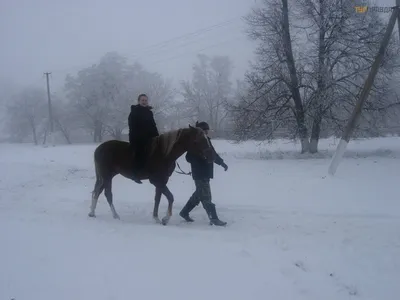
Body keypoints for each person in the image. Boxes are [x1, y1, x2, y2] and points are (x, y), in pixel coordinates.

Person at [179, 121, 229, 226]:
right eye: (204, 130)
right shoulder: (195, 143)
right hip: (199, 173)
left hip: (206, 172)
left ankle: (184, 212)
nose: (206, 132)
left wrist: (222, 163)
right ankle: (213, 218)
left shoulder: (207, 141)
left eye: (207, 130)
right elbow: (188, 157)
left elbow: (213, 155)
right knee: (206, 196)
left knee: (198, 195)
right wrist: (201, 157)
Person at [128, 93, 159, 184]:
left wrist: (157, 136)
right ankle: (135, 173)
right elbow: (132, 126)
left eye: (146, 100)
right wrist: (141, 136)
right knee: (140, 152)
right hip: (137, 138)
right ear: (139, 101)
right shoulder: (134, 111)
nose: (144, 102)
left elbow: (153, 125)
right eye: (142, 100)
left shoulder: (149, 112)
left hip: (149, 138)